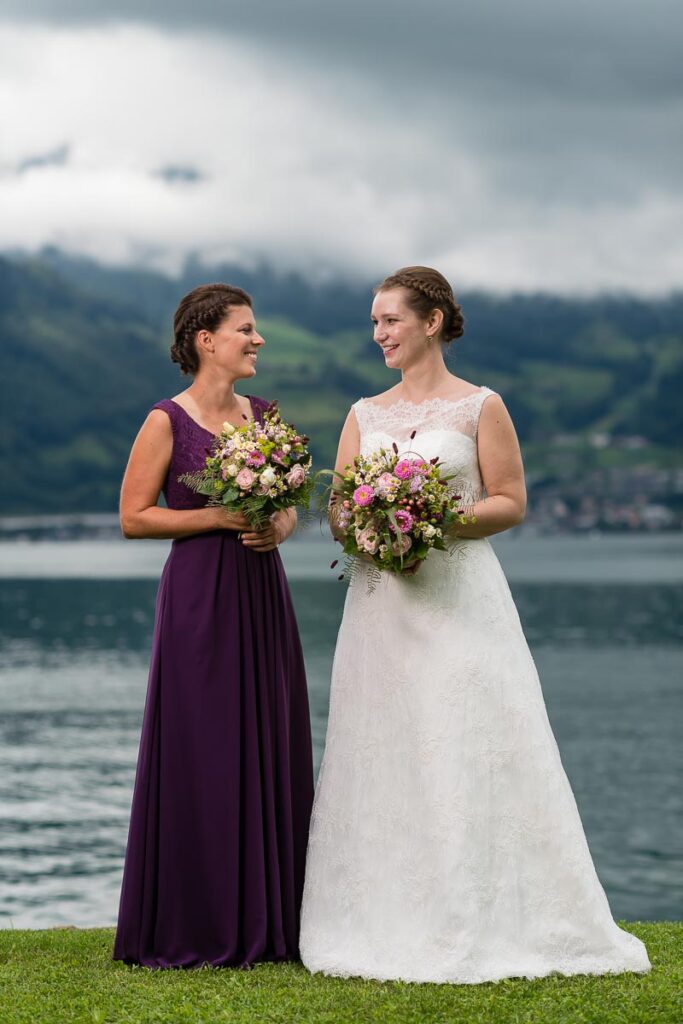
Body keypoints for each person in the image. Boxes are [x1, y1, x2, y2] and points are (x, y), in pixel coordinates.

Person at [299, 266, 650, 984]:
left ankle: (482, 915)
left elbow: (510, 500)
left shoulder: (481, 406)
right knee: (385, 745)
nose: (378, 335)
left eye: (389, 320)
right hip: (380, 606)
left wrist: (431, 522)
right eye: (372, 323)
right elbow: (336, 509)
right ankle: (379, 915)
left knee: (466, 736)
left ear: (431, 322)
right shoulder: (363, 413)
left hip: (459, 597)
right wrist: (364, 528)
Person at [113, 283, 314, 968]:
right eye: (245, 330)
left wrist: (279, 523)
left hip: (261, 592)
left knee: (269, 735)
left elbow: (286, 510)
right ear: (206, 340)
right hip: (200, 599)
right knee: (204, 743)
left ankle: (273, 919)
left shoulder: (263, 416)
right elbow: (135, 517)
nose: (257, 341)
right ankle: (196, 919)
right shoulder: (165, 421)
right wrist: (219, 517)